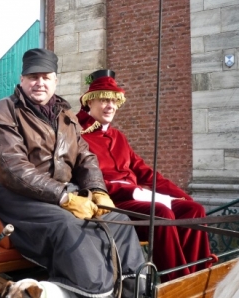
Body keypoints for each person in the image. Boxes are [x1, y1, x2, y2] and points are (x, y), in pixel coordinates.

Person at [0, 49, 146, 298]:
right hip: (20, 200)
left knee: (119, 222)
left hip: (64, 195)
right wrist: (65, 197)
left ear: (55, 80)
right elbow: (13, 169)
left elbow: (85, 157)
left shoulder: (66, 115)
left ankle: (134, 290)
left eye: (46, 77)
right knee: (69, 227)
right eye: (33, 77)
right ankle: (95, 292)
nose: (39, 83)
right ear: (22, 80)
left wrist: (98, 192)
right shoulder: (5, 112)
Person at [76, 69, 212, 283]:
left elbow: (145, 173)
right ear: (89, 102)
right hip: (112, 202)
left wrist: (181, 196)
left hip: (137, 197)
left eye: (114, 100)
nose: (110, 106)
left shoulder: (118, 136)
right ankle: (176, 284)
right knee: (161, 213)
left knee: (194, 210)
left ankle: (201, 278)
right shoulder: (78, 135)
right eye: (103, 100)